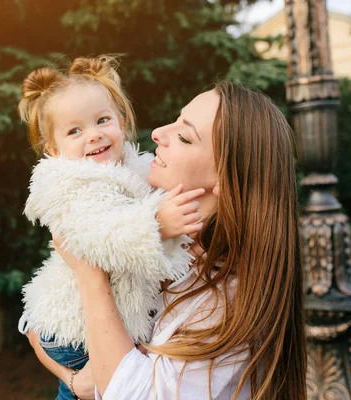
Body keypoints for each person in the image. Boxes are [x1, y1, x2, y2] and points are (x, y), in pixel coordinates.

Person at [27, 80, 307, 400]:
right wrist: (69, 374)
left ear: (228, 179)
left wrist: (90, 276)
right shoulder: (175, 238)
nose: (158, 132)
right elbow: (39, 326)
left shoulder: (225, 301)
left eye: (185, 136)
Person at [17, 55, 204, 400]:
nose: (94, 135)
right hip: (75, 337)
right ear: (53, 149)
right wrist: (155, 224)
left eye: (102, 120)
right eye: (75, 130)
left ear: (120, 121)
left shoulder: (132, 164)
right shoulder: (68, 184)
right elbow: (98, 236)